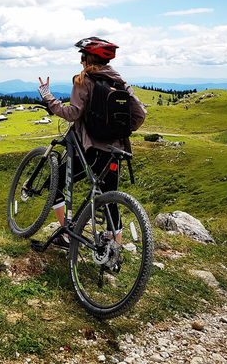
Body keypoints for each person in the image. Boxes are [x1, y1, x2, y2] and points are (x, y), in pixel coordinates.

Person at [37, 37, 147, 249]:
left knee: (55, 182)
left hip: (91, 150)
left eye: (82, 57)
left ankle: (67, 237)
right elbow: (140, 114)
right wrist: (122, 131)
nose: (81, 62)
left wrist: (48, 97)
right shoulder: (120, 82)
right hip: (115, 151)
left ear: (89, 59)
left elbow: (72, 113)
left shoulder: (84, 80)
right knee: (110, 199)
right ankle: (112, 253)